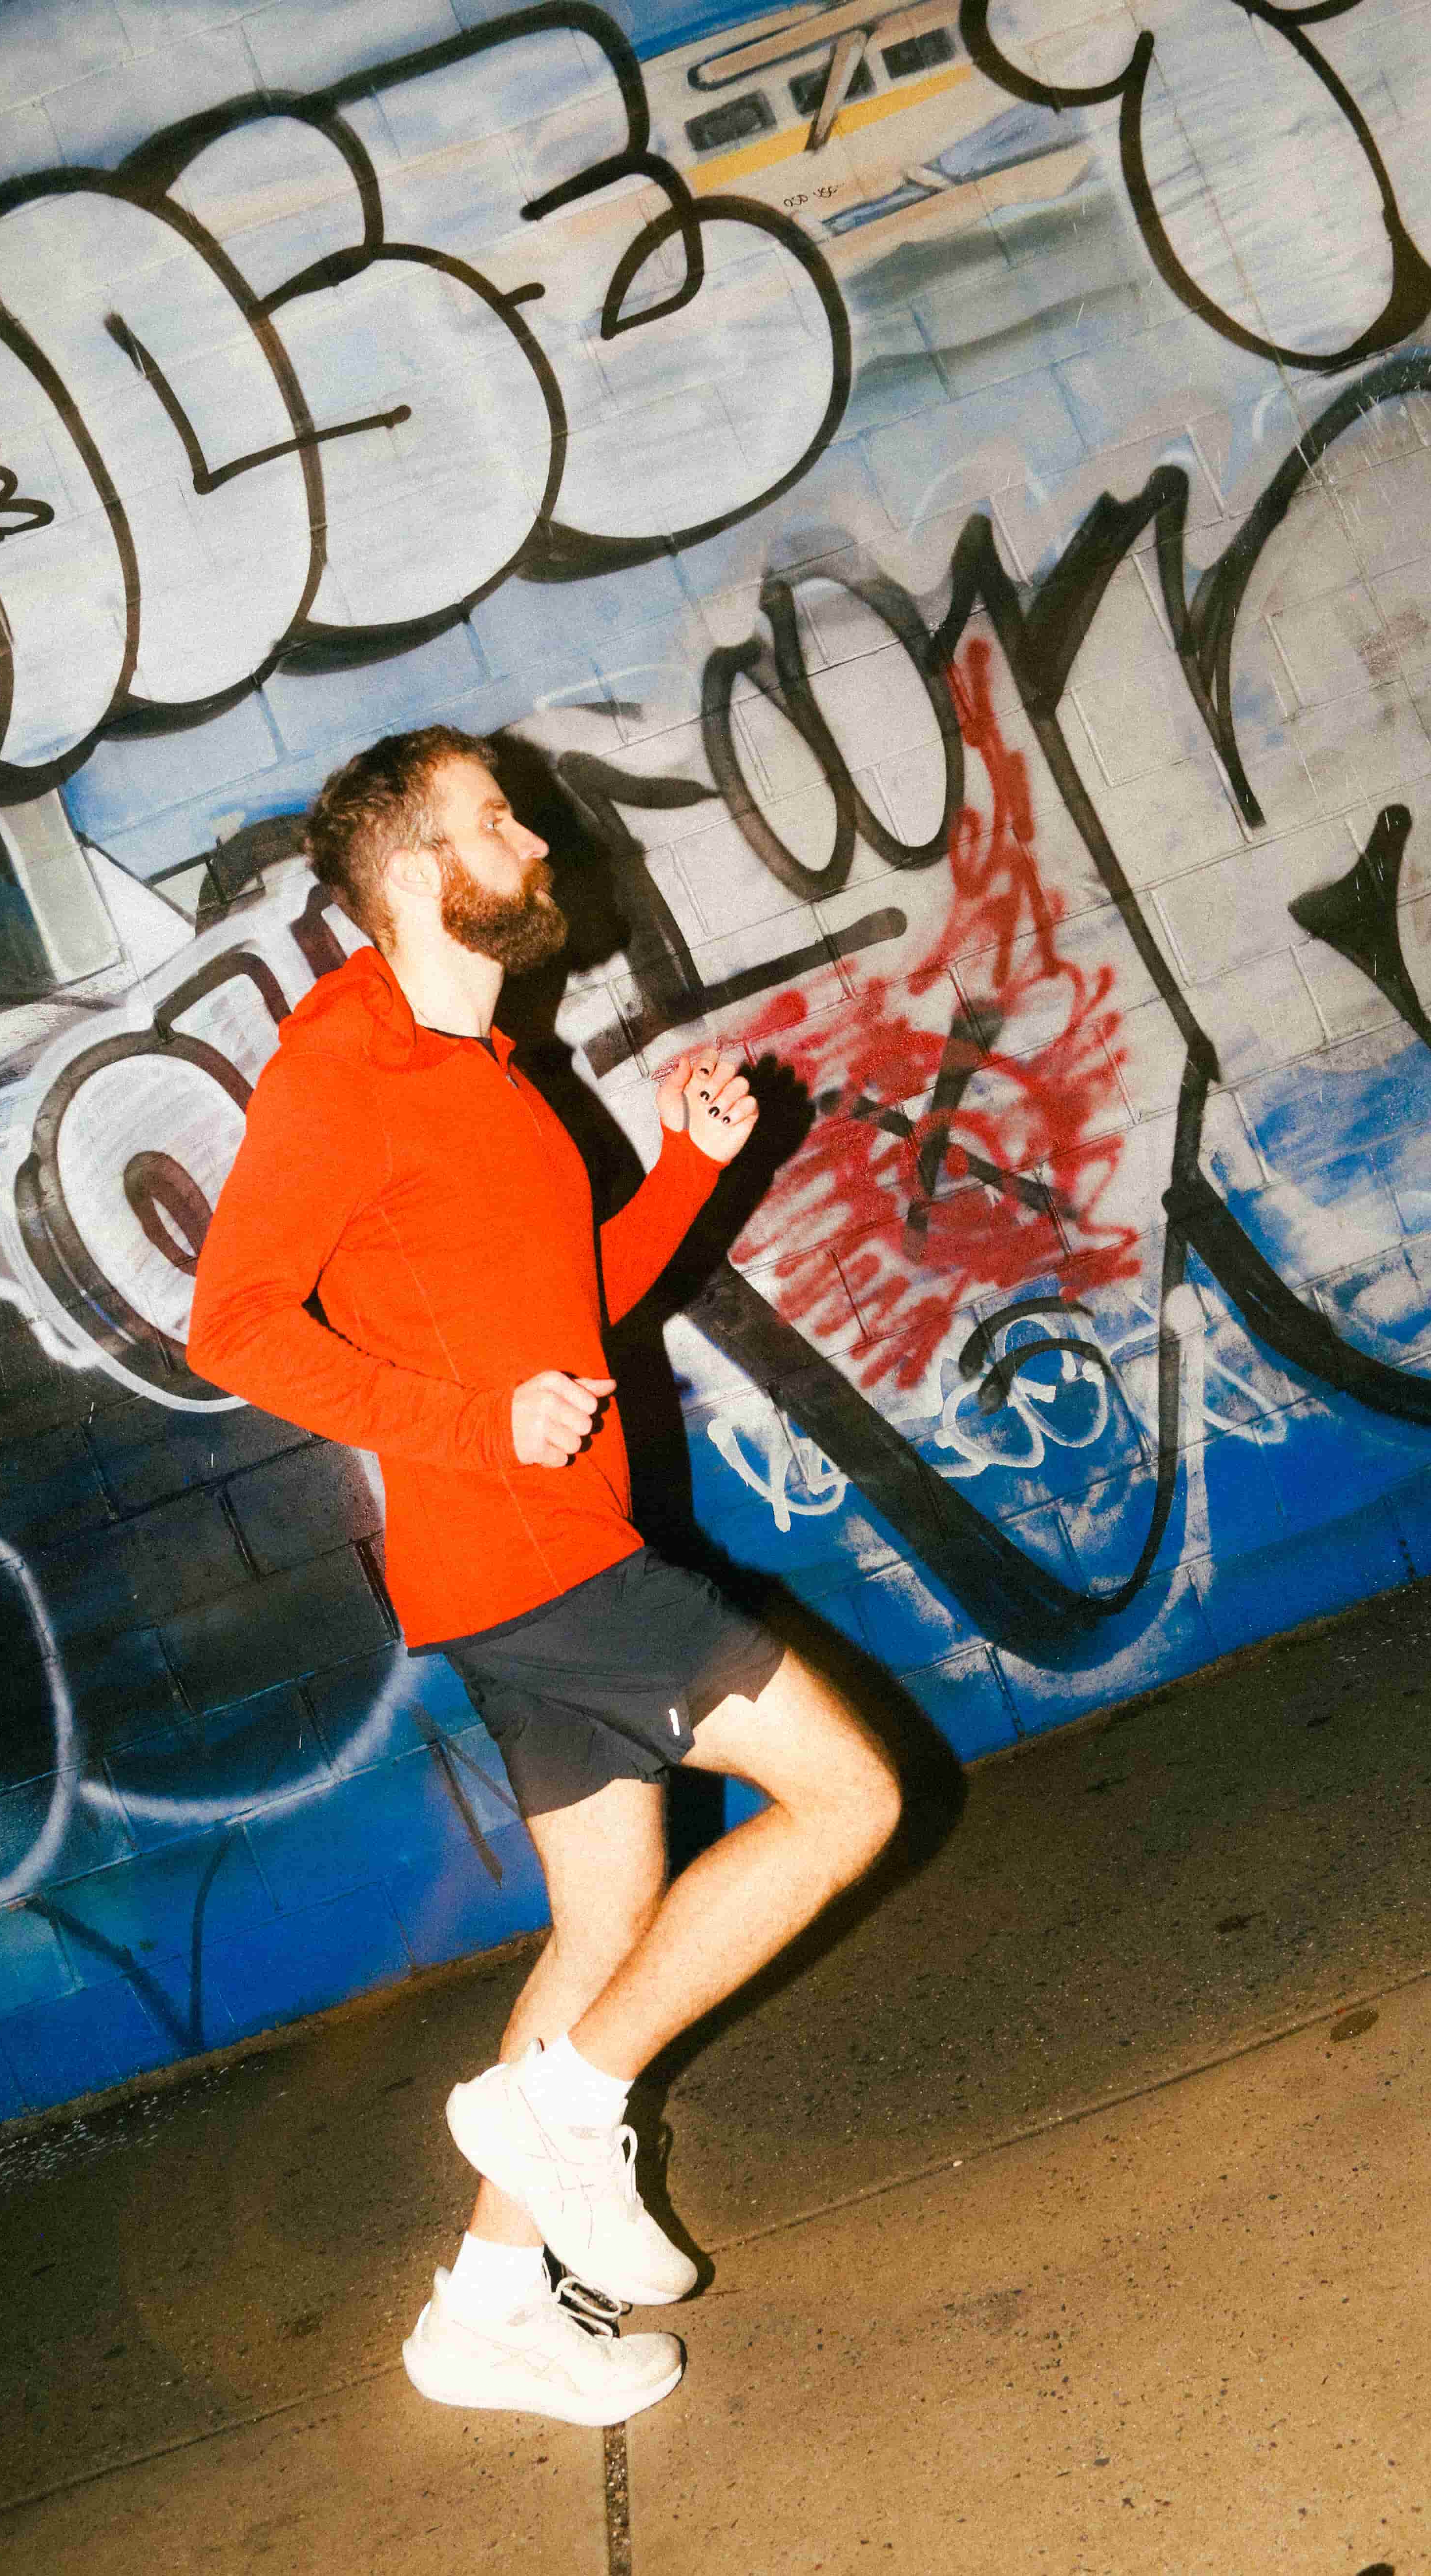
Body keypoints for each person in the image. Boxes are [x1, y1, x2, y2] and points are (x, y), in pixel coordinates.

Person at [187, 726, 902, 2429]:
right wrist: (472, 1424)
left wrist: (691, 1167)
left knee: (602, 1925)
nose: (536, 841)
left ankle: (488, 2311)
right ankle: (567, 2109)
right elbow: (232, 1326)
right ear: (417, 871)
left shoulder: (489, 1065)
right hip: (528, 1555)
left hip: (541, 1552)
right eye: (497, 820)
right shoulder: (344, 1065)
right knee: (851, 1800)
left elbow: (579, 1311)